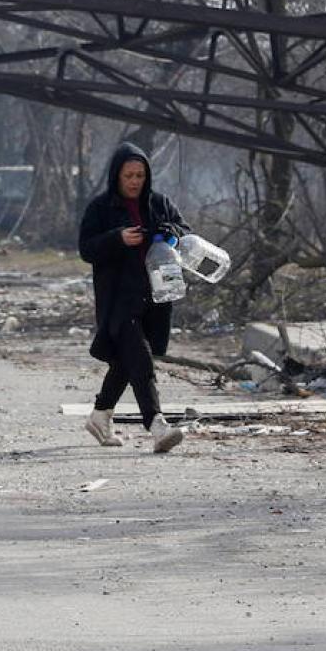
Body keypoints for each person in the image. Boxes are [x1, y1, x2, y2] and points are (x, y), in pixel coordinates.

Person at [79, 142, 189, 453]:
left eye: (140, 175)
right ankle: (156, 425)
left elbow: (185, 231)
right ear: (116, 176)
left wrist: (171, 233)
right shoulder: (100, 209)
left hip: (156, 296)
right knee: (139, 360)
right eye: (128, 175)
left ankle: (100, 415)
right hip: (118, 299)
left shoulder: (159, 203)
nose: (134, 181)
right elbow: (86, 249)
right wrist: (118, 238)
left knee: (128, 360)